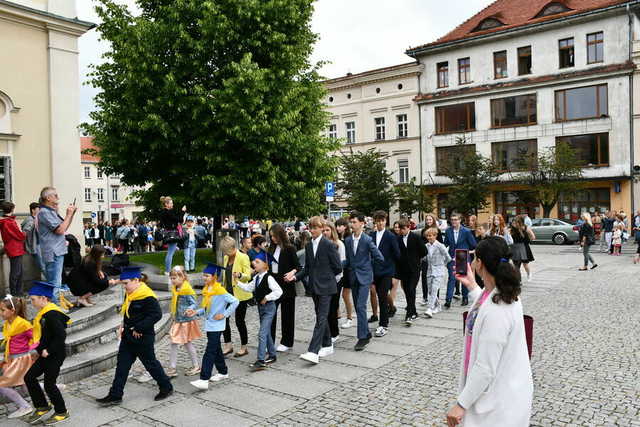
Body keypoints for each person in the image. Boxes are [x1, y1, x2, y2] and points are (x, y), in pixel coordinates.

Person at [446, 237, 533, 427]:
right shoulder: (499, 292)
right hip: (500, 393)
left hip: (498, 403)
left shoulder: (498, 311)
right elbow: (484, 306)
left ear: (480, 264)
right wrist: (471, 285)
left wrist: (461, 404)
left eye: (474, 258)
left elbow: (485, 367)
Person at [97, 267, 173, 406]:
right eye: (123, 284)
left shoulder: (147, 296)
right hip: (128, 336)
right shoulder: (130, 293)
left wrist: (139, 327)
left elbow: (156, 315)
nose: (124, 287)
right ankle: (115, 395)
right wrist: (123, 324)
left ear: (136, 280)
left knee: (151, 364)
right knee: (122, 366)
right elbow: (128, 312)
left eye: (126, 283)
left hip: (142, 337)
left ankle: (166, 387)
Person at [285, 216, 342, 364]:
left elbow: (338, 267)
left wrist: (326, 277)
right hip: (314, 288)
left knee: (321, 318)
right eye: (311, 227)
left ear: (322, 228)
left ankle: (313, 351)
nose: (313, 230)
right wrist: (295, 277)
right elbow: (308, 268)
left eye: (316, 227)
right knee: (320, 316)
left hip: (327, 287)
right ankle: (328, 344)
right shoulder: (309, 246)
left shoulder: (329, 245)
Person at [24, 281, 71, 424]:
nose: (31, 302)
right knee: (29, 377)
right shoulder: (43, 314)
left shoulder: (51, 314)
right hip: (44, 354)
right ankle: (42, 406)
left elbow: (61, 335)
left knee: (50, 384)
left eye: (33, 299)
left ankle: (62, 411)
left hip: (54, 355)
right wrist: (38, 349)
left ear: (44, 298)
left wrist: (48, 350)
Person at [188, 263, 239, 390]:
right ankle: (223, 372)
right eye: (203, 275)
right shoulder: (207, 290)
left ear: (214, 277)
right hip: (209, 324)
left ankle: (204, 379)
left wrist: (224, 314)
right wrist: (196, 312)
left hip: (217, 325)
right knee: (216, 350)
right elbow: (207, 309)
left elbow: (235, 301)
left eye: (207, 276)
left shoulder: (220, 290)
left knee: (209, 351)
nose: (204, 278)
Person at [343, 212, 384, 349]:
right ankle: (366, 333)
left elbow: (379, 257)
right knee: (358, 306)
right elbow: (349, 260)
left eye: (354, 222)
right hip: (353, 277)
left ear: (362, 223)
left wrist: (368, 268)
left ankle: (362, 338)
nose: (352, 225)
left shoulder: (366, 240)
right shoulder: (348, 240)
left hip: (365, 277)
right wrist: (337, 265)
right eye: (351, 222)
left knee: (360, 306)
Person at [237, 251, 282, 371]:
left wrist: (267, 298)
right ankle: (272, 355)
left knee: (262, 333)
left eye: (257, 262)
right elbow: (248, 288)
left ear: (265, 265)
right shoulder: (257, 277)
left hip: (269, 308)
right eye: (254, 261)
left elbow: (279, 291)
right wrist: (237, 282)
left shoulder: (269, 278)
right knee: (266, 333)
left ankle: (261, 360)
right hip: (261, 309)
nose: (254, 263)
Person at [37, 187, 77, 305]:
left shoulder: (50, 211)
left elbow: (64, 227)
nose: (58, 197)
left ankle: (53, 306)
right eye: (55, 195)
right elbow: (60, 230)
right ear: (48, 198)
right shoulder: (44, 212)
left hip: (57, 250)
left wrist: (71, 214)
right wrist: (69, 214)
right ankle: (55, 308)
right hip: (53, 251)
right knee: (55, 282)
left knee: (55, 281)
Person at [0, 295, 34, 419]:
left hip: (20, 359)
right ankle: (52, 387)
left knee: (2, 385)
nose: (0, 313)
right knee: (25, 385)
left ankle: (24, 406)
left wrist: (35, 350)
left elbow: (35, 337)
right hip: (13, 358)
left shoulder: (23, 324)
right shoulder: (8, 323)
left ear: (12, 311)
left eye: (3, 310)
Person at [268, 223, 301, 352]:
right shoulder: (271, 249)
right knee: (271, 314)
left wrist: (293, 273)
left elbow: (298, 266)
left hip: (286, 285)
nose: (272, 239)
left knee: (287, 315)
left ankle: (287, 341)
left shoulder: (289, 248)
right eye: (271, 237)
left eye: (274, 236)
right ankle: (269, 341)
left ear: (280, 235)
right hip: (274, 284)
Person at [220, 236, 253, 358]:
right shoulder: (225, 258)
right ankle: (228, 346)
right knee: (224, 319)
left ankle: (244, 347)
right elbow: (224, 274)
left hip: (240, 295)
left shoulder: (243, 257)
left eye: (226, 250)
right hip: (227, 294)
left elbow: (248, 276)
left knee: (240, 321)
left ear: (233, 248)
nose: (225, 253)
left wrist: (240, 275)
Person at [369, 210, 400, 337]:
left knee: (382, 295)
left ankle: (383, 325)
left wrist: (394, 274)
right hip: (374, 271)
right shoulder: (371, 235)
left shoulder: (391, 236)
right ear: (375, 222)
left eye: (382, 220)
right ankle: (391, 308)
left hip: (387, 271)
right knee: (378, 294)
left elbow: (397, 255)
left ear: (385, 221)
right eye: (378, 220)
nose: (381, 223)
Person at [166, 266, 202, 378]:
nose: (172, 280)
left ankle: (194, 366)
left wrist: (190, 309)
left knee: (183, 343)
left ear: (182, 277)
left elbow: (194, 303)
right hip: (178, 319)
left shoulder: (186, 290)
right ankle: (174, 368)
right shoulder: (176, 289)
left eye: (174, 278)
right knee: (177, 342)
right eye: (171, 278)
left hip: (186, 321)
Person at [395, 218, 426, 325]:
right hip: (404, 270)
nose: (401, 231)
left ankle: (409, 314)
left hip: (414, 269)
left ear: (408, 227)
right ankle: (414, 312)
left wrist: (415, 259)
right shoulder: (398, 239)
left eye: (403, 229)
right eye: (400, 229)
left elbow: (424, 251)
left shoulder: (415, 237)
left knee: (411, 289)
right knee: (407, 291)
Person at [444, 214, 477, 308]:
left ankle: (465, 297)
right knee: (451, 278)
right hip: (452, 257)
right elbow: (445, 244)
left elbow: (473, 244)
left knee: (463, 278)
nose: (454, 221)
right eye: (452, 220)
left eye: (455, 219)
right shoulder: (448, 231)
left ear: (460, 220)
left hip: (462, 255)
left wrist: (468, 252)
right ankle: (448, 300)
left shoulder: (466, 231)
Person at [323, 221, 346, 343]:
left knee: (333, 306)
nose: (325, 233)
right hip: (324, 280)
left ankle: (334, 332)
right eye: (324, 230)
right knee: (325, 308)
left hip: (336, 279)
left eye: (327, 230)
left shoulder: (339, 244)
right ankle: (327, 331)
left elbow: (342, 263)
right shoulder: (321, 244)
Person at [423, 228, 451, 318]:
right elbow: (424, 258)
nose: (429, 237)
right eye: (427, 236)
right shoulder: (426, 246)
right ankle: (438, 306)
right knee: (430, 290)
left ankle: (430, 308)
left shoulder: (440, 245)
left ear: (435, 235)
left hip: (438, 271)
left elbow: (448, 257)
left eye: (430, 236)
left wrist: (442, 264)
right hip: (429, 271)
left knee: (435, 289)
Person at [0, 202, 26, 296]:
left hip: (14, 248)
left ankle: (19, 293)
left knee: (19, 272)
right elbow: (19, 235)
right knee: (16, 273)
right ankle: (15, 294)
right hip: (15, 249)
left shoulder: (6, 221)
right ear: (12, 209)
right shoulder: (9, 222)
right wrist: (24, 234)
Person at [158, 196, 187, 275]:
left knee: (170, 252)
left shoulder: (162, 212)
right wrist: (183, 211)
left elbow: (162, 223)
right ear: (166, 204)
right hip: (172, 234)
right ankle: (167, 271)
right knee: (170, 253)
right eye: (171, 203)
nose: (172, 204)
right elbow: (180, 219)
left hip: (168, 234)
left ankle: (167, 270)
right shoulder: (168, 212)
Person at [335, 217, 354, 328]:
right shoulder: (336, 238)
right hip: (338, 270)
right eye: (337, 225)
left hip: (346, 271)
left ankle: (349, 317)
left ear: (345, 226)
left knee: (345, 295)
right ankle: (337, 316)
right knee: (336, 294)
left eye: (340, 225)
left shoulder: (348, 239)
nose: (338, 228)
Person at [21, 202, 46, 275]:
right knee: (42, 266)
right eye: (38, 209)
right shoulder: (30, 220)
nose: (40, 210)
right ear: (33, 210)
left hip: (40, 245)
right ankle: (52, 283)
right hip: (35, 245)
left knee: (44, 265)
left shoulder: (36, 219)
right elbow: (24, 233)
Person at [510, 215, 536, 281]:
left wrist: (527, 240)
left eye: (515, 222)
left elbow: (533, 237)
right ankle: (518, 280)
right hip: (515, 248)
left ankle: (529, 274)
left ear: (520, 223)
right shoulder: (511, 229)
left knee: (525, 264)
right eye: (513, 222)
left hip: (524, 247)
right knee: (516, 265)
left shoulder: (525, 228)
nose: (513, 224)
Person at [388, 220, 403, 317]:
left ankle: (410, 304)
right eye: (395, 227)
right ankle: (391, 306)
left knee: (400, 287)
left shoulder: (403, 238)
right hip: (393, 265)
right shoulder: (391, 237)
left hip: (401, 265)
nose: (397, 229)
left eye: (398, 227)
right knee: (391, 287)